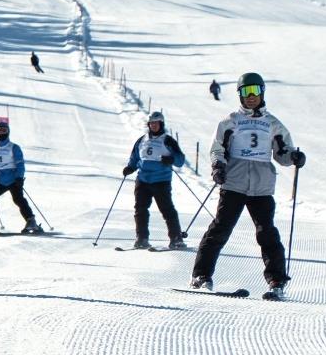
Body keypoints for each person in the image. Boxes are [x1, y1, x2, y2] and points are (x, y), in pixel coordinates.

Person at [191, 73, 304, 298]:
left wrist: (294, 157)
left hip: (262, 186)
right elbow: (217, 148)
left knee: (267, 233)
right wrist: (218, 166)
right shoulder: (230, 121)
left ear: (262, 92)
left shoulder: (273, 124)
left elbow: (282, 153)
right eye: (245, 91)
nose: (251, 96)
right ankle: (201, 276)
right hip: (234, 183)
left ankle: (277, 281)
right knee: (220, 229)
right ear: (240, 94)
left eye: (255, 91)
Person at [121, 111, 187, 249]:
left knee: (167, 210)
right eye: (151, 123)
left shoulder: (168, 140)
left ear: (161, 124)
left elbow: (180, 160)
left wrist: (171, 159)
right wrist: (130, 168)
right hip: (143, 180)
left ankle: (176, 239)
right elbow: (135, 157)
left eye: (156, 123)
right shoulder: (142, 140)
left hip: (161, 180)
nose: (153, 126)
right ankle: (141, 239)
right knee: (140, 209)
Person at [0, 121, 43, 235]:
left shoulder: (14, 147)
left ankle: (31, 222)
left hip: (14, 179)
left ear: (8, 132)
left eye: (3, 130)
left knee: (19, 200)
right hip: (1, 179)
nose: (1, 133)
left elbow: (20, 164)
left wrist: (19, 177)